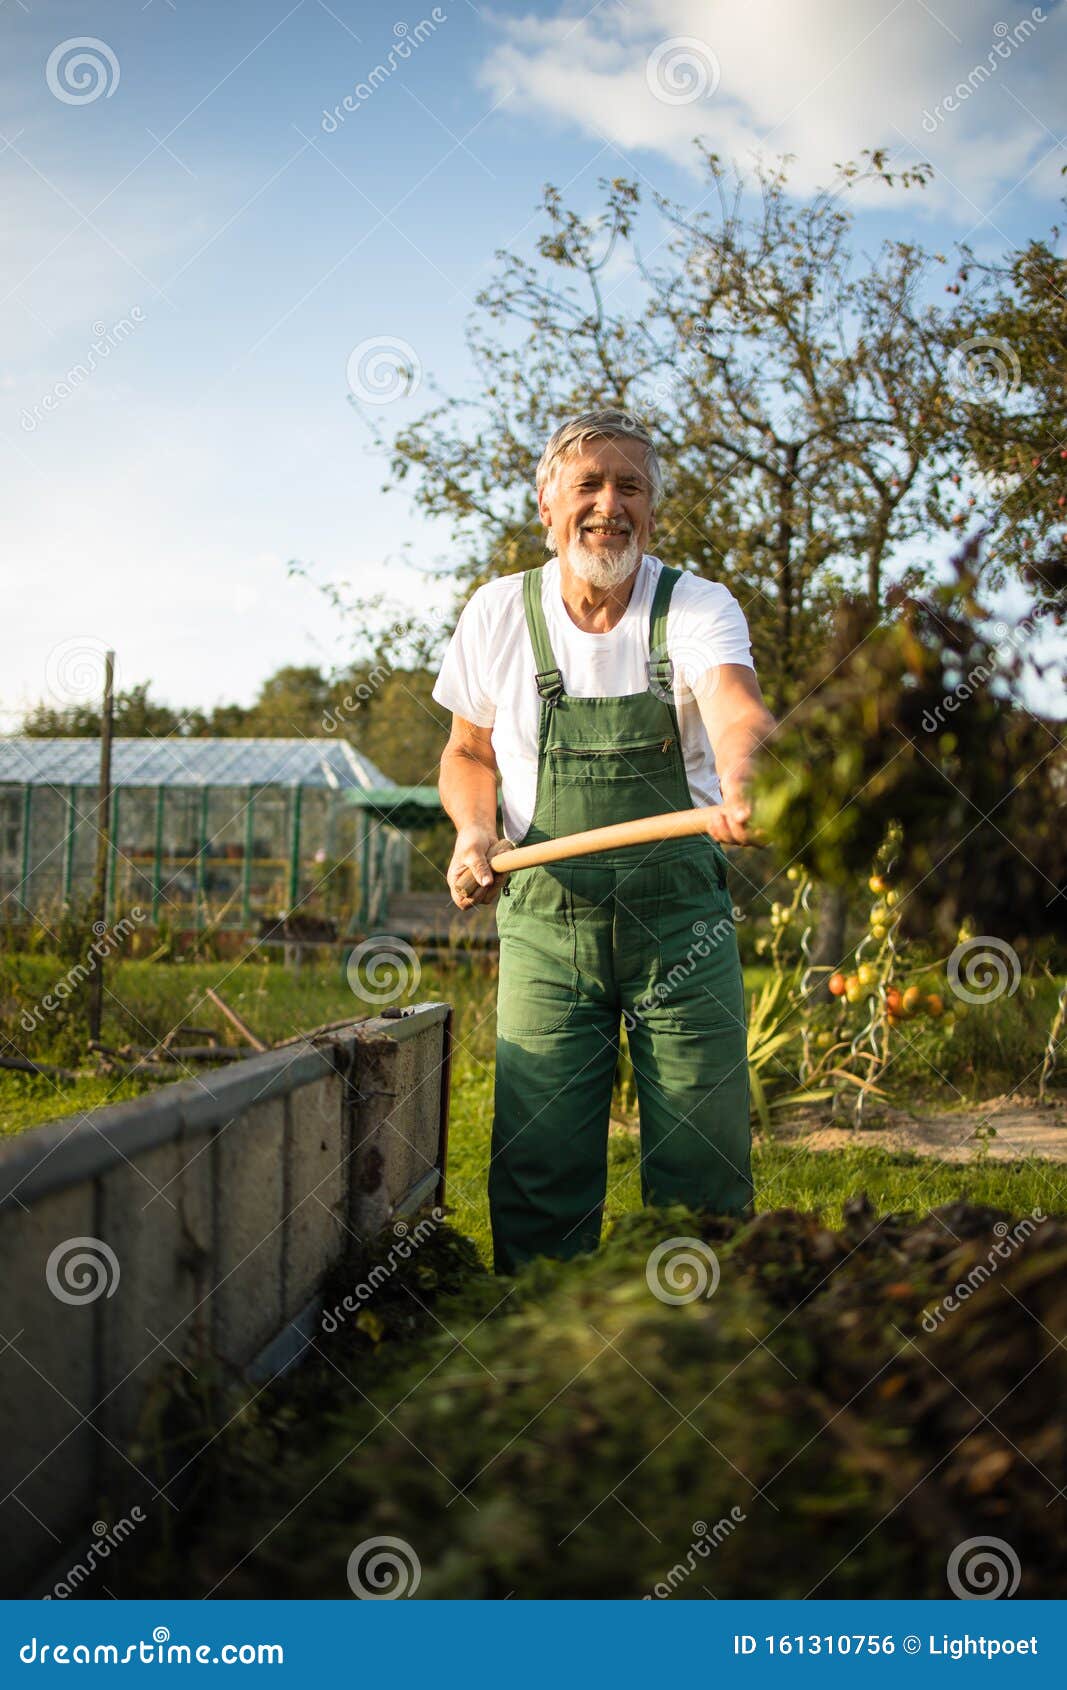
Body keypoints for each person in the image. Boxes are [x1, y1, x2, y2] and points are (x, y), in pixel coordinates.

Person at [432, 409, 776, 1275]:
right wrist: (475, 829)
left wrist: (744, 775)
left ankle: (692, 1343)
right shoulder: (497, 613)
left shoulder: (693, 605)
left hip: (680, 923)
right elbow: (467, 752)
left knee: (702, 1154)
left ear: (652, 510)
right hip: (548, 922)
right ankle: (542, 1344)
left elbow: (735, 707)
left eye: (630, 487)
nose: (608, 505)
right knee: (541, 1153)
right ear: (545, 504)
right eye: (587, 485)